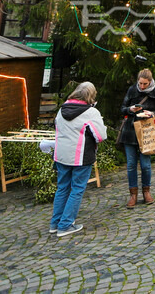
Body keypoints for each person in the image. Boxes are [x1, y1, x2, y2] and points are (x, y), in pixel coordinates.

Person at [50, 82, 106, 237]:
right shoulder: (91, 113)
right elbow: (101, 136)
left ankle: (55, 223)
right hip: (80, 156)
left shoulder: (62, 110)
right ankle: (66, 224)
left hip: (61, 155)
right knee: (77, 189)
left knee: (62, 188)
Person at [119, 64, 155, 208]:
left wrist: (152, 114)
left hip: (147, 133)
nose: (142, 86)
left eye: (145, 84)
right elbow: (122, 109)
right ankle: (133, 194)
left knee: (145, 165)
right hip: (130, 131)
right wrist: (130, 109)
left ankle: (146, 191)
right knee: (131, 165)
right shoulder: (132, 90)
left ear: (150, 82)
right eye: (140, 83)